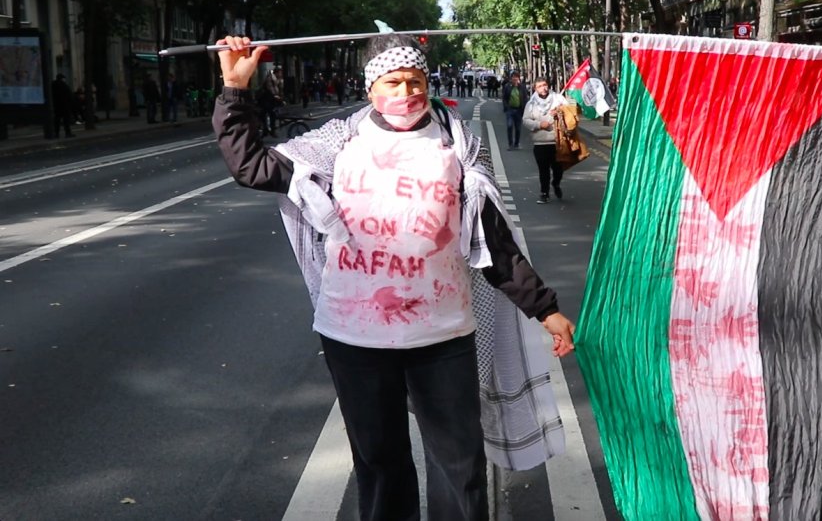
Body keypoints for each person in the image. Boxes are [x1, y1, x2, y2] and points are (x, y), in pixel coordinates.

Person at [212, 34, 574, 521]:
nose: (406, 92)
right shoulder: (337, 144)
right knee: (380, 467)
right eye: (392, 81)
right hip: (354, 339)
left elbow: (494, 247)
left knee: (459, 469)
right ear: (370, 88)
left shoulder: (457, 147)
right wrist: (235, 91)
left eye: (415, 80)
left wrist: (546, 308)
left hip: (443, 337)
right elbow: (251, 166)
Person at [523, 77, 569, 204]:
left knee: (558, 169)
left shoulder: (558, 99)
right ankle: (544, 193)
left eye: (544, 85)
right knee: (543, 170)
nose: (543, 88)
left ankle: (556, 183)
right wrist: (538, 124)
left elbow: (569, 113)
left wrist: (559, 111)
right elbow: (526, 120)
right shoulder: (531, 104)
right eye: (539, 86)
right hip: (540, 142)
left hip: (556, 141)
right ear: (535, 89)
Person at [501, 71, 529, 150]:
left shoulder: (522, 87)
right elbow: (504, 97)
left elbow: (525, 98)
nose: (515, 79)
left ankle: (516, 143)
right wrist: (506, 106)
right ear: (511, 78)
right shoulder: (507, 87)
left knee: (518, 128)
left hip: (519, 110)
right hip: (510, 110)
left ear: (518, 78)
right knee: (509, 126)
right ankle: (510, 144)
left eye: (516, 77)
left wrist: (524, 108)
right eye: (513, 77)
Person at [259, 65, 285, 136]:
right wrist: (275, 95)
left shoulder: (278, 79)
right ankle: (268, 130)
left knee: (272, 114)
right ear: (276, 72)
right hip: (265, 99)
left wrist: (280, 97)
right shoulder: (270, 78)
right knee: (269, 114)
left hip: (271, 100)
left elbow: (279, 90)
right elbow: (270, 88)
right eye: (280, 72)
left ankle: (268, 130)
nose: (281, 74)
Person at [51, 74, 75, 138]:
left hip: (56, 105)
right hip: (65, 105)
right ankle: (67, 133)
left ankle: (56, 133)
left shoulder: (52, 85)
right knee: (66, 121)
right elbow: (69, 96)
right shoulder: (65, 86)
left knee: (57, 120)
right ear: (62, 79)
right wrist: (71, 104)